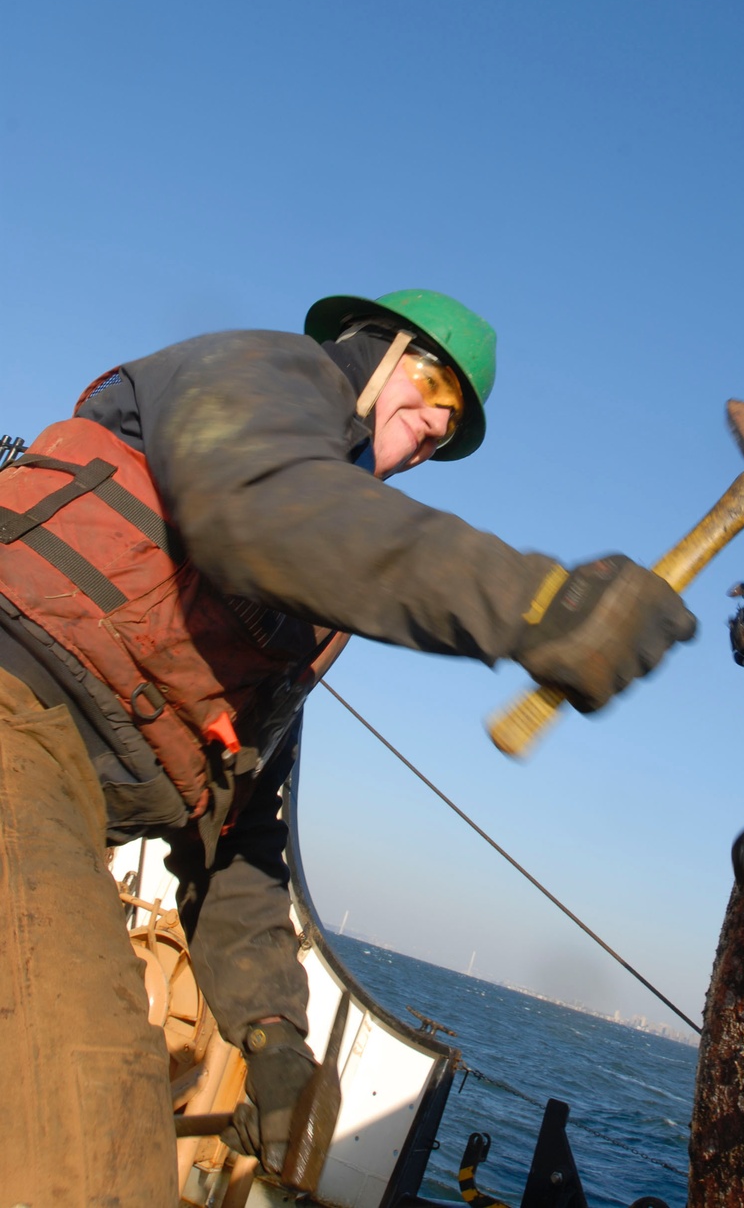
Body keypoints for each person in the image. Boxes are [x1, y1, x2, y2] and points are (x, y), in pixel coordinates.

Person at [0, 288, 696, 1204]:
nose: (440, 423)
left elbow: (239, 837)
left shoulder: (302, 618)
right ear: (377, 347)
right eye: (436, 381)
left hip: (63, 809)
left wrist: (273, 1037)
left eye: (455, 423)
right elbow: (264, 508)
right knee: (93, 1148)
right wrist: (538, 605)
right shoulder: (260, 372)